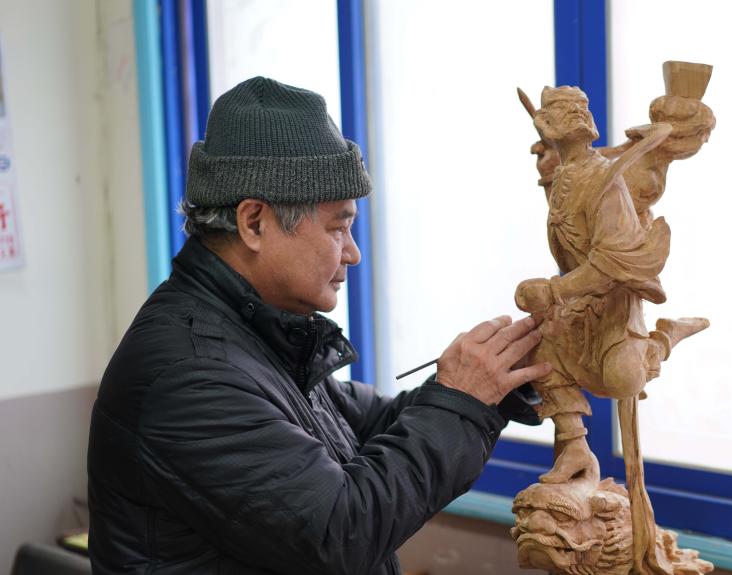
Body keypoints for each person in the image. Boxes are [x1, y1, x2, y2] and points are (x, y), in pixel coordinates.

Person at [87, 77, 551, 575]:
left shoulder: (260, 335)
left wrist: (491, 385)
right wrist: (462, 401)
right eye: (338, 228)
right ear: (254, 222)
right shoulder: (189, 375)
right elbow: (341, 530)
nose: (352, 253)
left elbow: (373, 428)